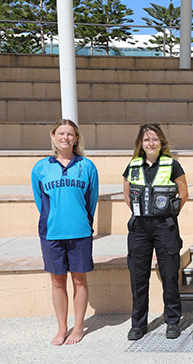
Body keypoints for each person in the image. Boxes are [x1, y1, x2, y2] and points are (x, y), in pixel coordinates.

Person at [31, 119, 99, 345]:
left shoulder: (87, 166)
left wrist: (81, 221)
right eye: (61, 133)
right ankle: (62, 328)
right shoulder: (41, 167)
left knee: (80, 280)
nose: (65, 137)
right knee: (57, 281)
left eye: (70, 134)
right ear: (53, 136)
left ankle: (78, 327)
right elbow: (41, 202)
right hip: (52, 233)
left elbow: (92, 200)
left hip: (79, 231)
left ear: (76, 138)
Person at [123, 124, 188, 341]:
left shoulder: (173, 165)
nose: (151, 143)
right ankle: (138, 324)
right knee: (138, 275)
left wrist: (169, 211)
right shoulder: (132, 166)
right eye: (146, 140)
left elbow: (183, 193)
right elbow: (127, 195)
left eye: (155, 139)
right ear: (140, 144)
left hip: (165, 226)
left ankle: (172, 320)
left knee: (169, 273)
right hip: (139, 227)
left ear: (162, 142)